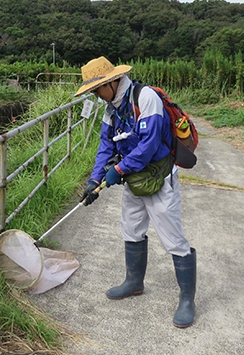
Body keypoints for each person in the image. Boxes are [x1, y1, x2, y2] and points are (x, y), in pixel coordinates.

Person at [74, 56, 197, 328]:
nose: (96, 95)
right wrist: (95, 181)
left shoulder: (146, 99)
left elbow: (149, 146)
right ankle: (134, 282)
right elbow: (106, 146)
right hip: (133, 178)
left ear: (112, 82)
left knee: (173, 238)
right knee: (130, 228)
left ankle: (187, 299)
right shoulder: (111, 109)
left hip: (159, 177)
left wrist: (117, 171)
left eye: (97, 89)